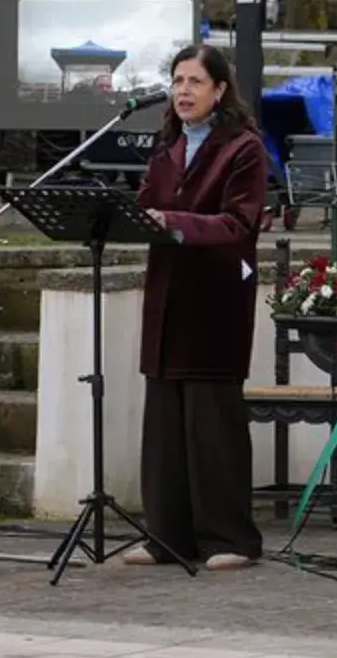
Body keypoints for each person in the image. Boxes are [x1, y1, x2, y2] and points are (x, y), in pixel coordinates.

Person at [123, 44, 268, 571]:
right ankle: (168, 537)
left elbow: (239, 224)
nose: (183, 91)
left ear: (220, 91)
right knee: (164, 423)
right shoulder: (166, 148)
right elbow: (145, 207)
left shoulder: (244, 149)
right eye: (178, 81)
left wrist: (175, 223)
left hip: (215, 300)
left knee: (210, 424)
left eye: (195, 82)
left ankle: (230, 539)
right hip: (168, 297)